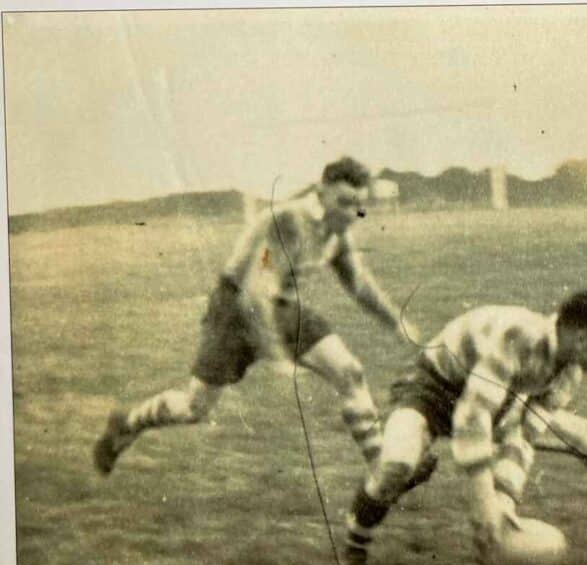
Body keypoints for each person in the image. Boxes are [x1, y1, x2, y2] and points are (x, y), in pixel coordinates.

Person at [342, 290, 587, 565]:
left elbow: (521, 436)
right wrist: (483, 504)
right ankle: (356, 537)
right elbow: (472, 417)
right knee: (396, 464)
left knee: (586, 437)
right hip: (432, 390)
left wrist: (504, 507)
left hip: (498, 402)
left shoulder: (569, 370)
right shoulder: (519, 337)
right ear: (581, 338)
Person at [93, 157, 419, 476]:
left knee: (349, 372)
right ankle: (127, 422)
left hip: (283, 307)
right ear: (321, 192)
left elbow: (359, 285)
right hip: (235, 310)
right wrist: (276, 353)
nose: (352, 213)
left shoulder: (337, 233)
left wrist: (396, 322)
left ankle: (382, 473)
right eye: (345, 202)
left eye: (359, 205)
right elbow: (256, 290)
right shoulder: (287, 220)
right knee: (194, 408)